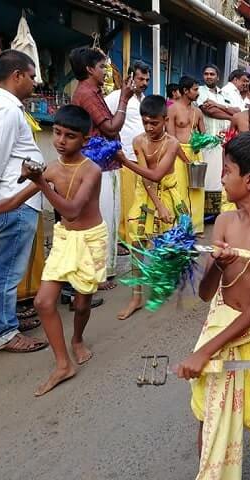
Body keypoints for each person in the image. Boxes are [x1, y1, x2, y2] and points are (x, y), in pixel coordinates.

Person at [177, 131, 250, 477]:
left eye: (227, 170)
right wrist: (219, 265)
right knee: (208, 414)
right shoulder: (225, 222)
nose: (222, 178)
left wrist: (204, 352)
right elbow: (206, 292)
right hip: (222, 318)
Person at [0, 105, 108, 395]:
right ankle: (63, 365)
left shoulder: (91, 171)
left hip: (90, 240)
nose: (60, 140)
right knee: (44, 303)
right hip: (64, 240)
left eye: (69, 136)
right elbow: (12, 202)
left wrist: (41, 183)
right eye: (57, 133)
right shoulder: (51, 169)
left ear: (85, 139)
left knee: (82, 305)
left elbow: (71, 211)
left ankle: (78, 339)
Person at [0, 49, 48, 353]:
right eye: (31, 77)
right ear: (16, 75)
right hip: (13, 203)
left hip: (9, 203)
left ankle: (1, 322)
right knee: (6, 272)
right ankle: (5, 332)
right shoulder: (6, 110)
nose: (34, 83)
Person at [117, 95, 188, 320]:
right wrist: (156, 206)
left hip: (168, 194)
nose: (149, 127)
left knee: (167, 245)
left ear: (165, 120)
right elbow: (147, 179)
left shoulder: (172, 143)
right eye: (145, 122)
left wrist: (125, 162)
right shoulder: (138, 141)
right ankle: (136, 296)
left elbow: (157, 175)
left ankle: (165, 282)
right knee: (137, 244)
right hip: (145, 195)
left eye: (154, 123)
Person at [69, 46, 133, 290]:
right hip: (98, 166)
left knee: (106, 217)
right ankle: (97, 274)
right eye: (102, 67)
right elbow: (111, 127)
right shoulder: (86, 93)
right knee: (101, 218)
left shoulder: (90, 92)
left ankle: (101, 271)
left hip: (102, 164)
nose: (106, 71)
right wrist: (124, 99)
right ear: (89, 69)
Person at [105, 61, 150, 247]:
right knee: (125, 201)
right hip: (124, 156)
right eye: (141, 78)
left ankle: (135, 235)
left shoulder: (144, 100)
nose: (144, 82)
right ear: (131, 77)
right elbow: (105, 122)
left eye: (147, 79)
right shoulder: (116, 97)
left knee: (138, 200)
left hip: (141, 158)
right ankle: (124, 239)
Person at [167, 75, 206, 234]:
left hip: (195, 153)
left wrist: (203, 142)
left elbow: (203, 133)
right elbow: (170, 138)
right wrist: (184, 157)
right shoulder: (172, 109)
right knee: (180, 190)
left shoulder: (198, 111)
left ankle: (196, 227)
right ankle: (180, 227)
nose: (198, 93)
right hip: (177, 154)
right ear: (185, 90)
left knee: (197, 190)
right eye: (195, 89)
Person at [197, 64, 236, 214]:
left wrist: (219, 106)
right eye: (206, 74)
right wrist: (230, 114)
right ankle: (203, 213)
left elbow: (237, 110)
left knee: (218, 178)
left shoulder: (224, 94)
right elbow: (209, 111)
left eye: (212, 74)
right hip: (206, 141)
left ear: (218, 77)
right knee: (204, 179)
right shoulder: (199, 91)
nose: (208, 76)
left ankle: (213, 212)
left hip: (222, 141)